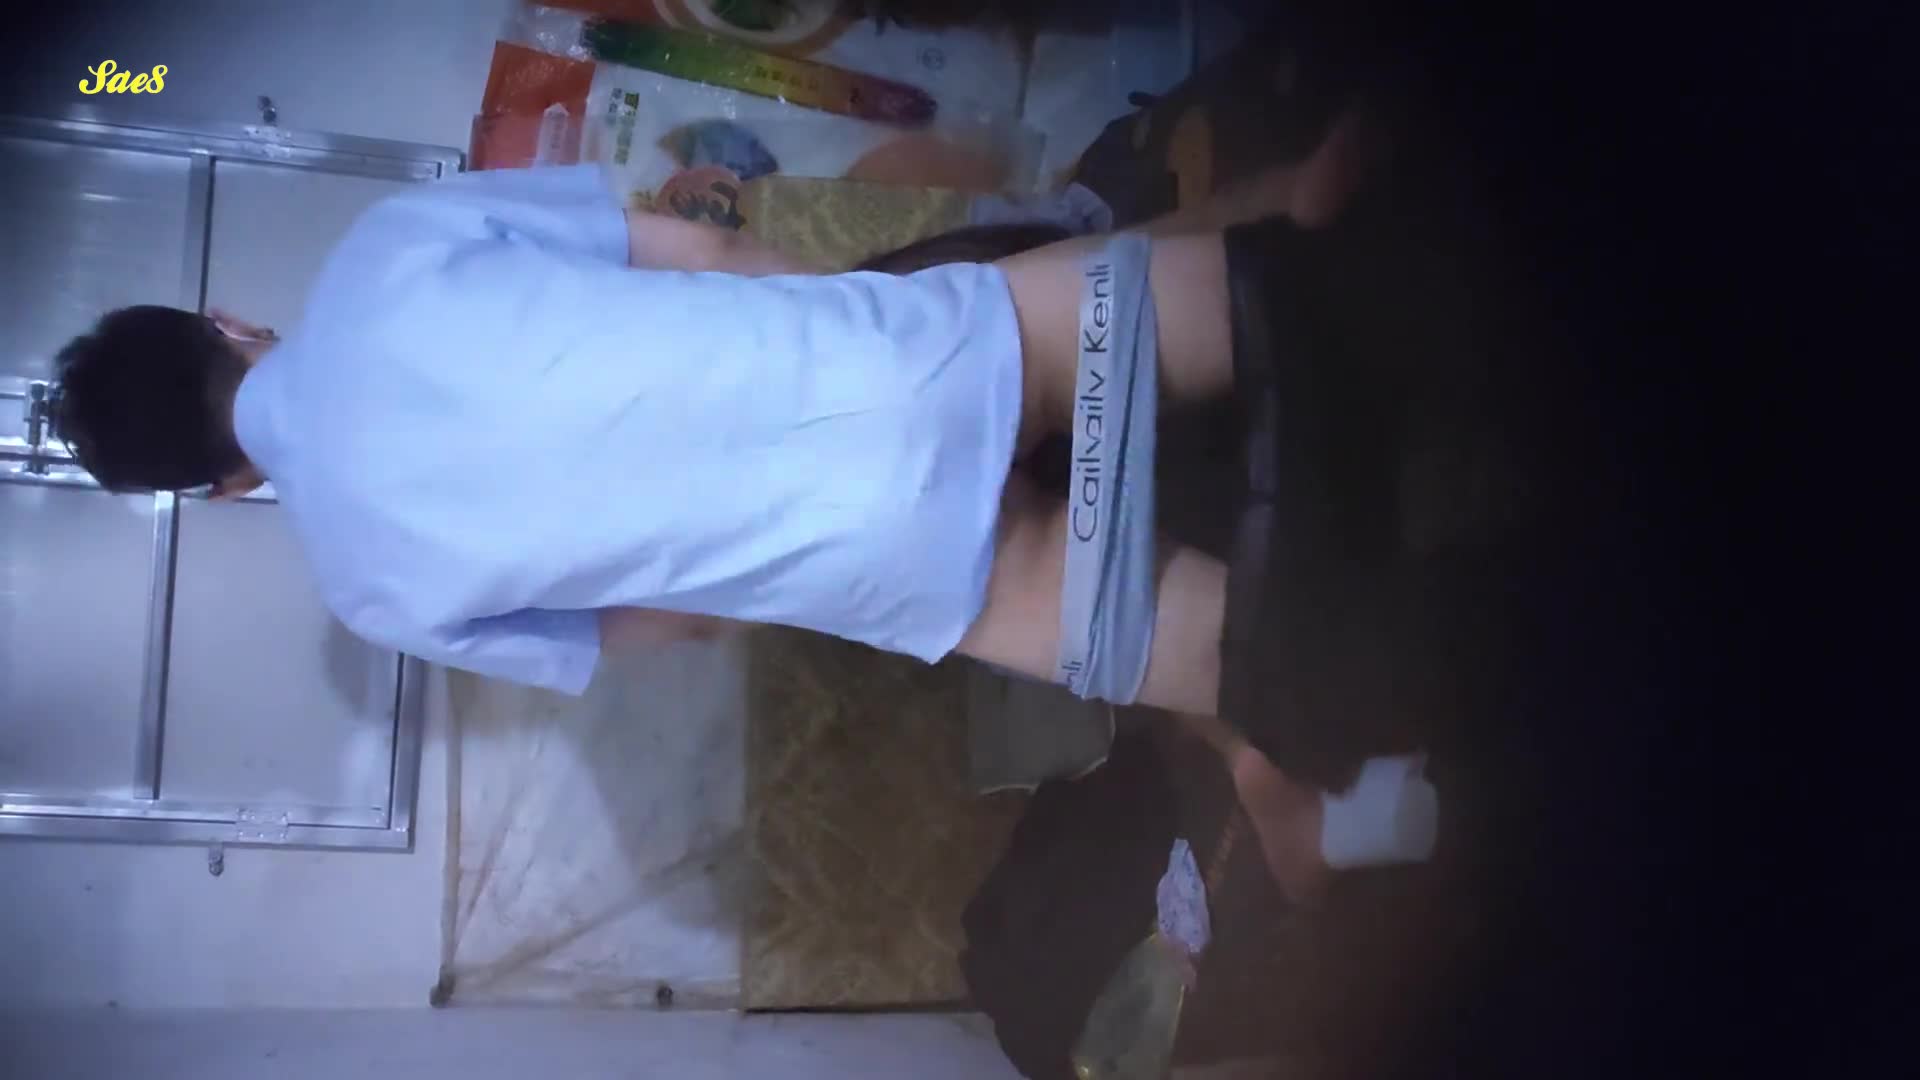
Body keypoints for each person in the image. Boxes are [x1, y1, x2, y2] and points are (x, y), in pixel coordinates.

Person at [50, 110, 1425, 901]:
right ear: (223, 324)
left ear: (219, 488)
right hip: (907, 358)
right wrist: (852, 327)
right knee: (1199, 307)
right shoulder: (382, 246)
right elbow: (701, 251)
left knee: (1213, 641)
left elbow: (675, 624)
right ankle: (1345, 258)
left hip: (888, 556)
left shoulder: (368, 589)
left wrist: (800, 536)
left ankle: (1366, 713)